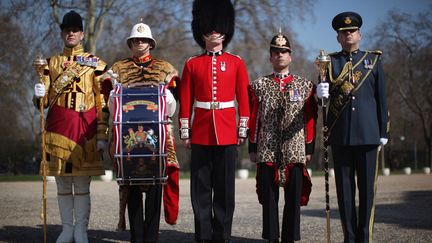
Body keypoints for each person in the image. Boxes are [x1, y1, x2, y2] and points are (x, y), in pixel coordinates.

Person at [33, 10, 108, 243]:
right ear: (62, 33)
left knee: (82, 182)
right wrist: (38, 95)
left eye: (75, 30)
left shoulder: (96, 64)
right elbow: (42, 104)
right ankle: (67, 229)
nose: (71, 34)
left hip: (84, 128)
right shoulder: (51, 63)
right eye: (67, 30)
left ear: (82, 34)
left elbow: (101, 101)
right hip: (58, 127)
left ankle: (80, 230)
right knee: (63, 182)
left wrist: (102, 132)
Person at [178, 0, 250, 242]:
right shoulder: (191, 64)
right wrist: (185, 132)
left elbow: (243, 99)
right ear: (202, 31)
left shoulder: (236, 62)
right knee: (200, 190)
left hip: (228, 131)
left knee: (225, 191)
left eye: (218, 28)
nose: (214, 33)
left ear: (225, 30)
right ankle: (203, 236)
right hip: (200, 133)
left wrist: (243, 128)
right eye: (209, 28)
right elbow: (185, 101)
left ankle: (223, 236)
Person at [316, 11, 389, 243]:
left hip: (368, 135)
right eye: (344, 32)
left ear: (360, 34)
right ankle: (349, 237)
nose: (348, 35)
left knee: (367, 192)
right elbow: (324, 101)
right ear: (338, 37)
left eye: (352, 31)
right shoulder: (330, 62)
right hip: (341, 135)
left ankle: (364, 237)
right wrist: (320, 93)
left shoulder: (373, 60)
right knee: (345, 193)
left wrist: (383, 133)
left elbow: (381, 99)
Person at [104, 22, 180, 243]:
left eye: (144, 40)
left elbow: (173, 108)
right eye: (136, 40)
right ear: (131, 43)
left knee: (156, 185)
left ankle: (151, 237)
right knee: (132, 187)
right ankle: (137, 237)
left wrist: (168, 99)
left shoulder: (165, 68)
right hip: (128, 139)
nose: (140, 43)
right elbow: (110, 104)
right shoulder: (118, 69)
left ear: (150, 43)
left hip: (159, 137)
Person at [248, 31, 317, 243]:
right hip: (267, 146)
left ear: (291, 56)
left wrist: (309, 148)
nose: (280, 55)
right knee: (269, 198)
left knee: (293, 197)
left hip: (295, 148)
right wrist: (252, 146)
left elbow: (310, 118)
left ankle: (289, 237)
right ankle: (271, 237)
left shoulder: (305, 86)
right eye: (276, 52)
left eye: (284, 52)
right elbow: (253, 117)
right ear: (270, 57)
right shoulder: (258, 85)